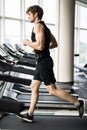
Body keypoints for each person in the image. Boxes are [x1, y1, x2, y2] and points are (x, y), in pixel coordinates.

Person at [17, 5, 84, 122]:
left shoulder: (38, 26)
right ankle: (30, 114)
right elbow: (54, 44)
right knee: (34, 87)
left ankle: (78, 103)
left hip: (44, 62)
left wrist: (28, 42)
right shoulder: (45, 27)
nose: (28, 17)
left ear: (36, 14)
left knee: (52, 90)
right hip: (43, 61)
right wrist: (38, 48)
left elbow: (40, 45)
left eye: (29, 15)